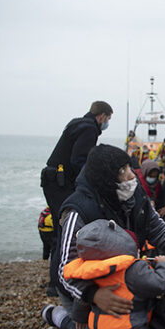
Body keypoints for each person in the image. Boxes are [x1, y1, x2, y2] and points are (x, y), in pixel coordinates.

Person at [55, 144, 165, 329]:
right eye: (123, 172)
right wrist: (93, 295)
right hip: (84, 288)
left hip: (123, 276)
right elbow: (65, 269)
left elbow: (159, 230)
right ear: (106, 179)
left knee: (144, 324)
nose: (132, 176)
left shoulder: (136, 195)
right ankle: (57, 316)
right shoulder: (78, 210)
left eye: (130, 167)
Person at [42, 219, 165, 329]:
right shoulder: (133, 270)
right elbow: (159, 283)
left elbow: (81, 300)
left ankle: (55, 316)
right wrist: (164, 265)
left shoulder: (92, 271)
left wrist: (80, 319)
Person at [41, 101, 113, 297]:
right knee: (64, 232)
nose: (107, 123)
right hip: (61, 183)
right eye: (108, 119)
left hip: (53, 180)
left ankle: (57, 280)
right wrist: (89, 183)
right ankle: (58, 283)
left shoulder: (77, 123)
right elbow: (79, 160)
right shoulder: (89, 129)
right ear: (102, 116)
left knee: (60, 229)